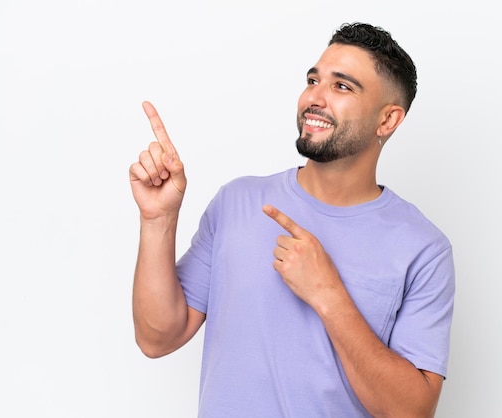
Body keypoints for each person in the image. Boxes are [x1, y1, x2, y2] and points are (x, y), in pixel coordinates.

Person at [129, 22, 455, 418]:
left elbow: (412, 411)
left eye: (342, 86)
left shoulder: (423, 248)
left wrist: (328, 294)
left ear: (387, 121)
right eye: (313, 79)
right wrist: (158, 219)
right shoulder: (238, 202)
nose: (314, 97)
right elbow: (157, 337)